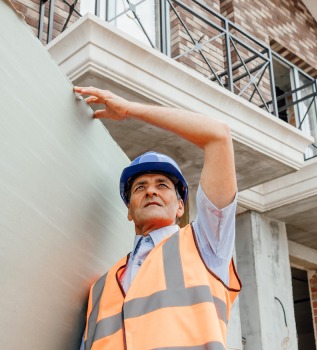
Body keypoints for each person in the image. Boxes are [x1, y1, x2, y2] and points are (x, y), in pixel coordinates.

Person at [74, 86, 241, 350]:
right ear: (129, 211)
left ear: (179, 207)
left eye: (162, 185)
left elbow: (218, 135)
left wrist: (130, 109)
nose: (150, 190)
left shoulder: (205, 245)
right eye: (140, 188)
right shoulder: (100, 289)